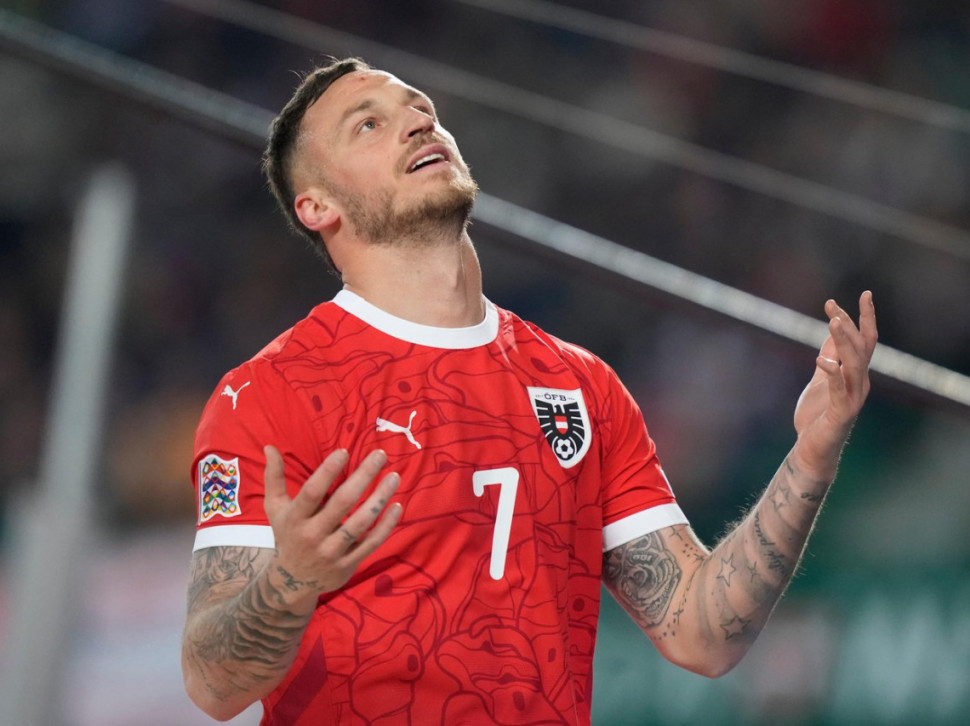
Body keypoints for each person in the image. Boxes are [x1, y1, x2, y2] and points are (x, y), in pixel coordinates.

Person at [181, 57, 878, 725]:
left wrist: (811, 456)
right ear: (317, 206)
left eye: (420, 108)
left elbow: (702, 631)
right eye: (369, 123)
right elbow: (212, 686)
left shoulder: (579, 383)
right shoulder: (269, 394)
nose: (418, 122)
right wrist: (292, 579)